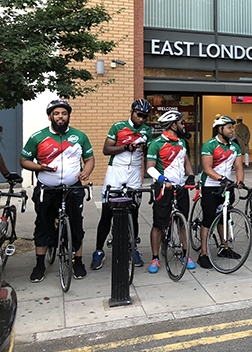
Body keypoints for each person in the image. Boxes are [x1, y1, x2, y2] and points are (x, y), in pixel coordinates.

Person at [20, 99, 95, 282]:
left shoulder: (79, 136)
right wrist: (40, 168)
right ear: (50, 116)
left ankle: (78, 261)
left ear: (68, 116)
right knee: (43, 225)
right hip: (47, 188)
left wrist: (86, 171)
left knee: (76, 225)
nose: (60, 117)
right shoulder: (38, 137)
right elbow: (24, 161)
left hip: (72, 188)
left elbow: (89, 159)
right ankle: (39, 264)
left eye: (64, 113)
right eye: (57, 113)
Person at [91, 99, 153, 271]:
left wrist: (144, 147)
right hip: (116, 170)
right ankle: (98, 251)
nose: (142, 119)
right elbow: (106, 150)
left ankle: (133, 248)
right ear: (132, 111)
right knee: (107, 212)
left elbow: (149, 151)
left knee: (133, 212)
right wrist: (126, 147)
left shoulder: (147, 130)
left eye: (145, 117)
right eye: (139, 115)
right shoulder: (118, 126)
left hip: (134, 172)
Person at [146, 110, 196, 274]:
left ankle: (185, 253)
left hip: (180, 188)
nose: (183, 125)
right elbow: (150, 168)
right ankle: (155, 258)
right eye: (181, 123)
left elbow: (186, 161)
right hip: (163, 189)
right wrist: (162, 180)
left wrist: (190, 176)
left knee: (182, 222)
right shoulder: (157, 144)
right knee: (159, 225)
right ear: (173, 125)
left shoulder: (181, 142)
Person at [197, 115, 245, 269]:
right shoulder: (209, 145)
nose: (232, 130)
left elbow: (239, 167)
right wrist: (221, 178)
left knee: (225, 217)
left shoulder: (234, 147)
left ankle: (224, 247)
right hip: (211, 185)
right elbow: (207, 168)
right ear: (220, 129)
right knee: (208, 219)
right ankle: (203, 253)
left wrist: (240, 181)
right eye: (229, 128)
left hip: (226, 187)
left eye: (232, 127)